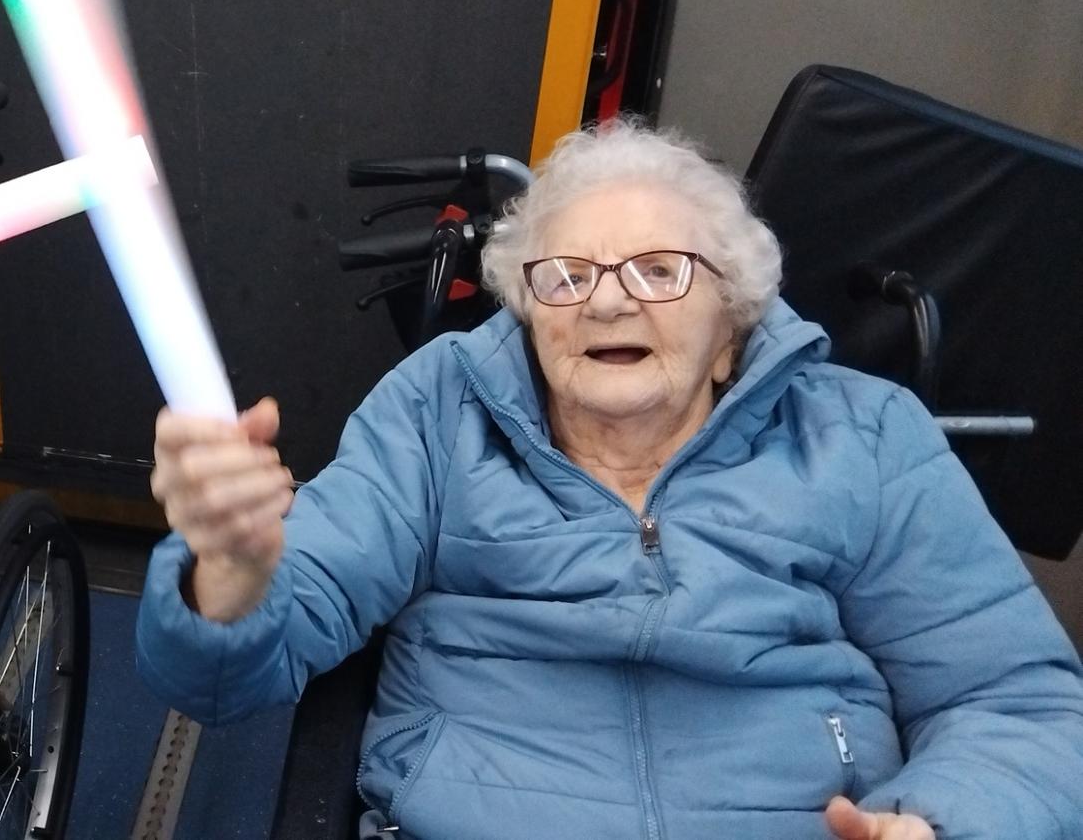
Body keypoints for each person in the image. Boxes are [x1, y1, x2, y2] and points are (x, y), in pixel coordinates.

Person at [136, 119, 1083, 839]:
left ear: (733, 322)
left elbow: (1017, 702)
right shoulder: (438, 412)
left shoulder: (863, 434)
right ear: (528, 314)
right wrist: (229, 576)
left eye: (661, 270)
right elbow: (228, 669)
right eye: (567, 276)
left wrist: (942, 821)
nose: (611, 298)